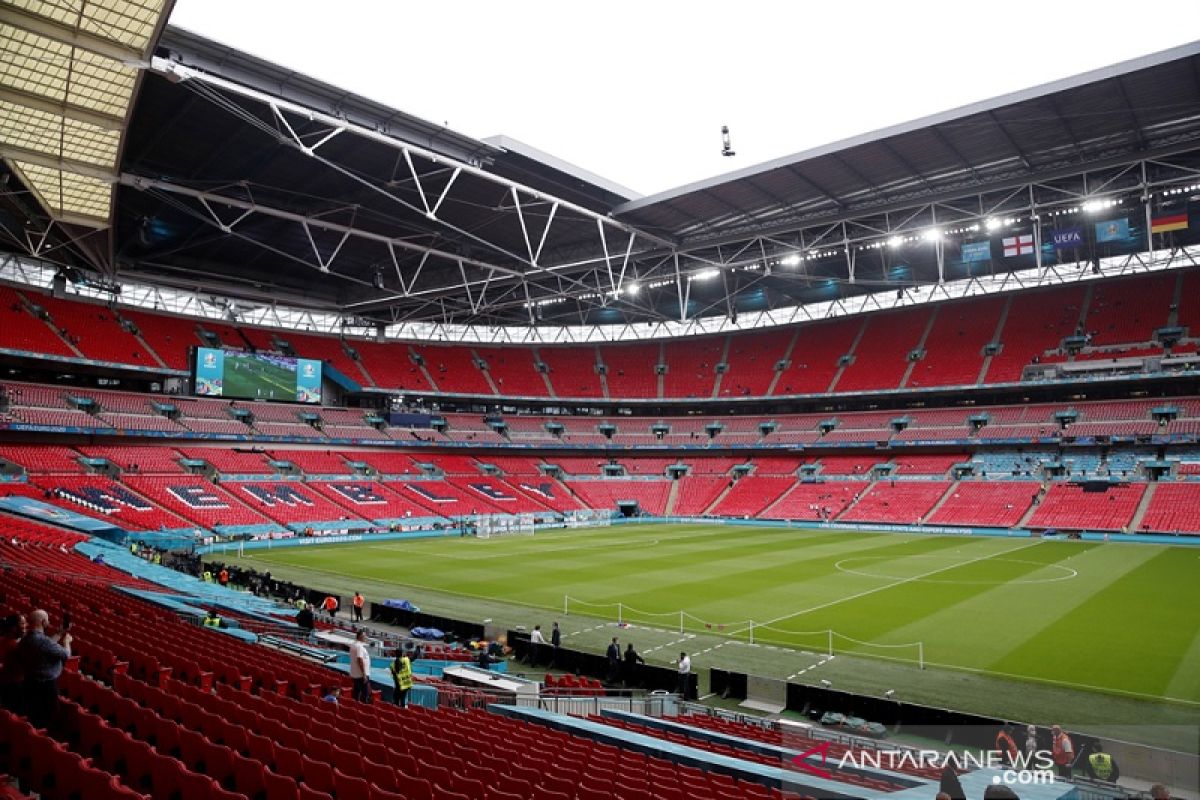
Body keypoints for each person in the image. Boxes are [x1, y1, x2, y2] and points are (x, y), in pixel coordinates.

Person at [17, 609, 72, 727]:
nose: (49, 622)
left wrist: (59, 633)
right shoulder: (43, 641)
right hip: (46, 687)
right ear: (43, 622)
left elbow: (45, 646)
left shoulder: (25, 639)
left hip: (29, 682)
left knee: (34, 715)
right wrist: (67, 642)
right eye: (47, 620)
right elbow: (65, 654)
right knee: (47, 717)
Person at [0, 613, 27, 711]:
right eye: (22, 623)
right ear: (14, 628)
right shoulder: (14, 647)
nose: (25, 626)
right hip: (16, 689)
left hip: (5, 686)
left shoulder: (3, 641)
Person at [349, 630, 371, 704]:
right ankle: (363, 708)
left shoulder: (354, 645)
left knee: (356, 692)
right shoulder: (359, 647)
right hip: (361, 675)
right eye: (364, 636)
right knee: (365, 693)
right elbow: (359, 659)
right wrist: (364, 674)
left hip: (355, 674)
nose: (365, 638)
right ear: (360, 637)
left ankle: (356, 707)